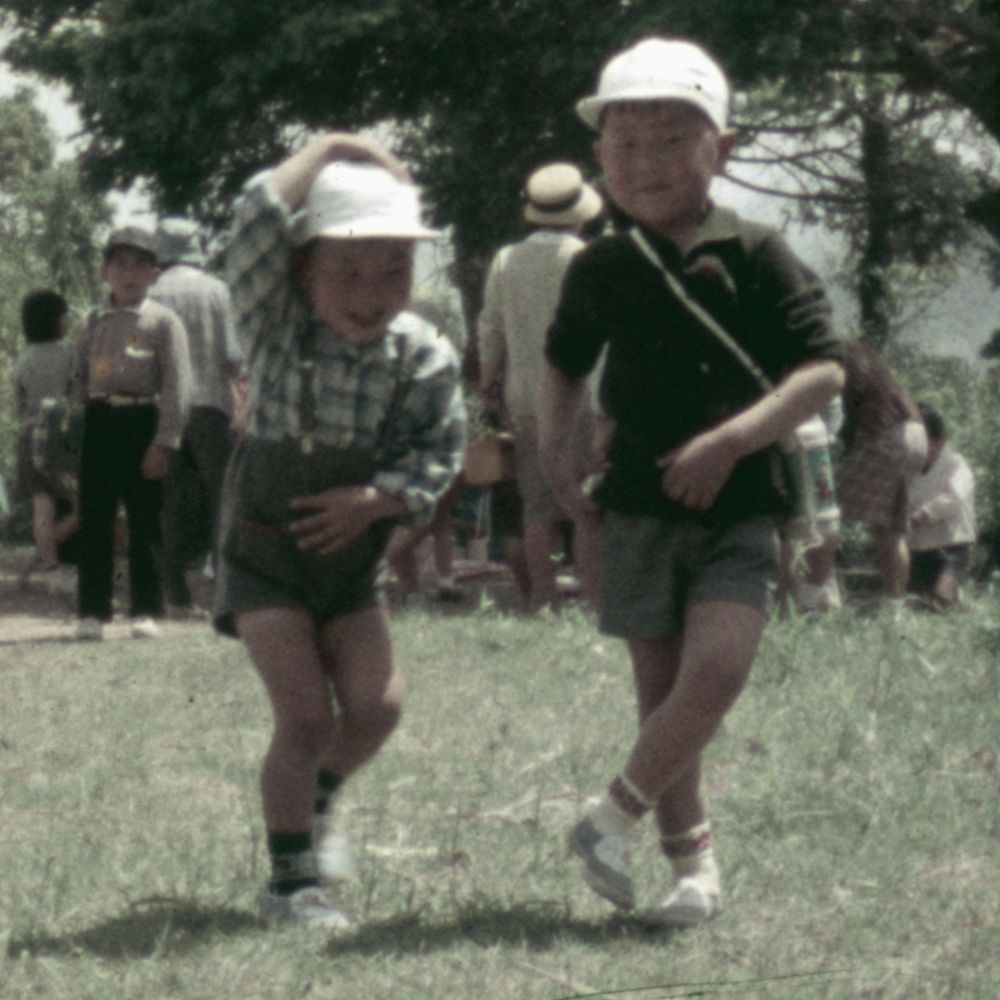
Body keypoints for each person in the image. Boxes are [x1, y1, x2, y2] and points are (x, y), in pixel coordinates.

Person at [538, 37, 845, 926]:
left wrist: (731, 442)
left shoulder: (756, 251)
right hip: (635, 503)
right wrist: (557, 454)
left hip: (743, 500)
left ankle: (606, 818)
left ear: (724, 147)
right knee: (661, 690)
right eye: (625, 145)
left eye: (674, 140)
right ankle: (692, 873)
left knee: (716, 669)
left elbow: (822, 371)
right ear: (598, 159)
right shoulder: (598, 266)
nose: (647, 163)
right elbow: (562, 364)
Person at [215, 133, 465, 929]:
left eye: (393, 267)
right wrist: (333, 148)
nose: (371, 291)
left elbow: (441, 451)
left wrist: (377, 500)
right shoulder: (277, 330)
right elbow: (257, 219)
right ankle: (291, 884)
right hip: (267, 560)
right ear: (301, 271)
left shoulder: (422, 354)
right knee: (305, 718)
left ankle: (317, 797)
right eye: (346, 270)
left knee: (379, 707)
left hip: (351, 569)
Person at [477, 162, 604, 609]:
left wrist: (487, 384)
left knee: (536, 504)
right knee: (588, 501)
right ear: (580, 211)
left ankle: (544, 599)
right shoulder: (588, 257)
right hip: (584, 394)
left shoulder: (506, 260)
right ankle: (593, 600)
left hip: (525, 396)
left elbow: (489, 328)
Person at [73, 226, 192, 641]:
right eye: (120, 264)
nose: (130, 275)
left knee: (146, 520)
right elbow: (78, 377)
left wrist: (165, 441)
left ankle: (145, 609)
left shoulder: (163, 321)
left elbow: (178, 384)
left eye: (141, 265)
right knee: (96, 518)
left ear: (155, 274)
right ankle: (91, 611)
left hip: (143, 421)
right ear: (105, 271)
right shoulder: (91, 320)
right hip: (100, 421)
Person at [151, 217, 245, 614]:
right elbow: (235, 358)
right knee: (222, 501)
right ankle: (227, 594)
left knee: (171, 504)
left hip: (162, 412)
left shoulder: (149, 294)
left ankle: (175, 597)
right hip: (210, 408)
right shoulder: (217, 291)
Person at [807, 338, 927, 607]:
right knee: (890, 527)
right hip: (915, 435)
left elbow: (843, 419)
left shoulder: (834, 355)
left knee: (819, 504)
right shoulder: (863, 357)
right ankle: (894, 609)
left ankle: (817, 592)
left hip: (888, 438)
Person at [14, 290, 77, 586]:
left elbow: (19, 405)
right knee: (87, 503)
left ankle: (48, 564)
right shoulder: (70, 355)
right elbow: (77, 395)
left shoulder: (24, 361)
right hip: (61, 432)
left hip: (29, 434)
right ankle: (47, 554)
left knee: (42, 504)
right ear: (56, 320)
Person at [908, 403, 976, 607]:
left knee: (940, 600)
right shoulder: (908, 468)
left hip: (953, 547)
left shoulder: (956, 464)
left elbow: (955, 497)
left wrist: (924, 514)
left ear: (940, 439)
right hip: (919, 548)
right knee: (915, 598)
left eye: (924, 445)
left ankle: (955, 591)